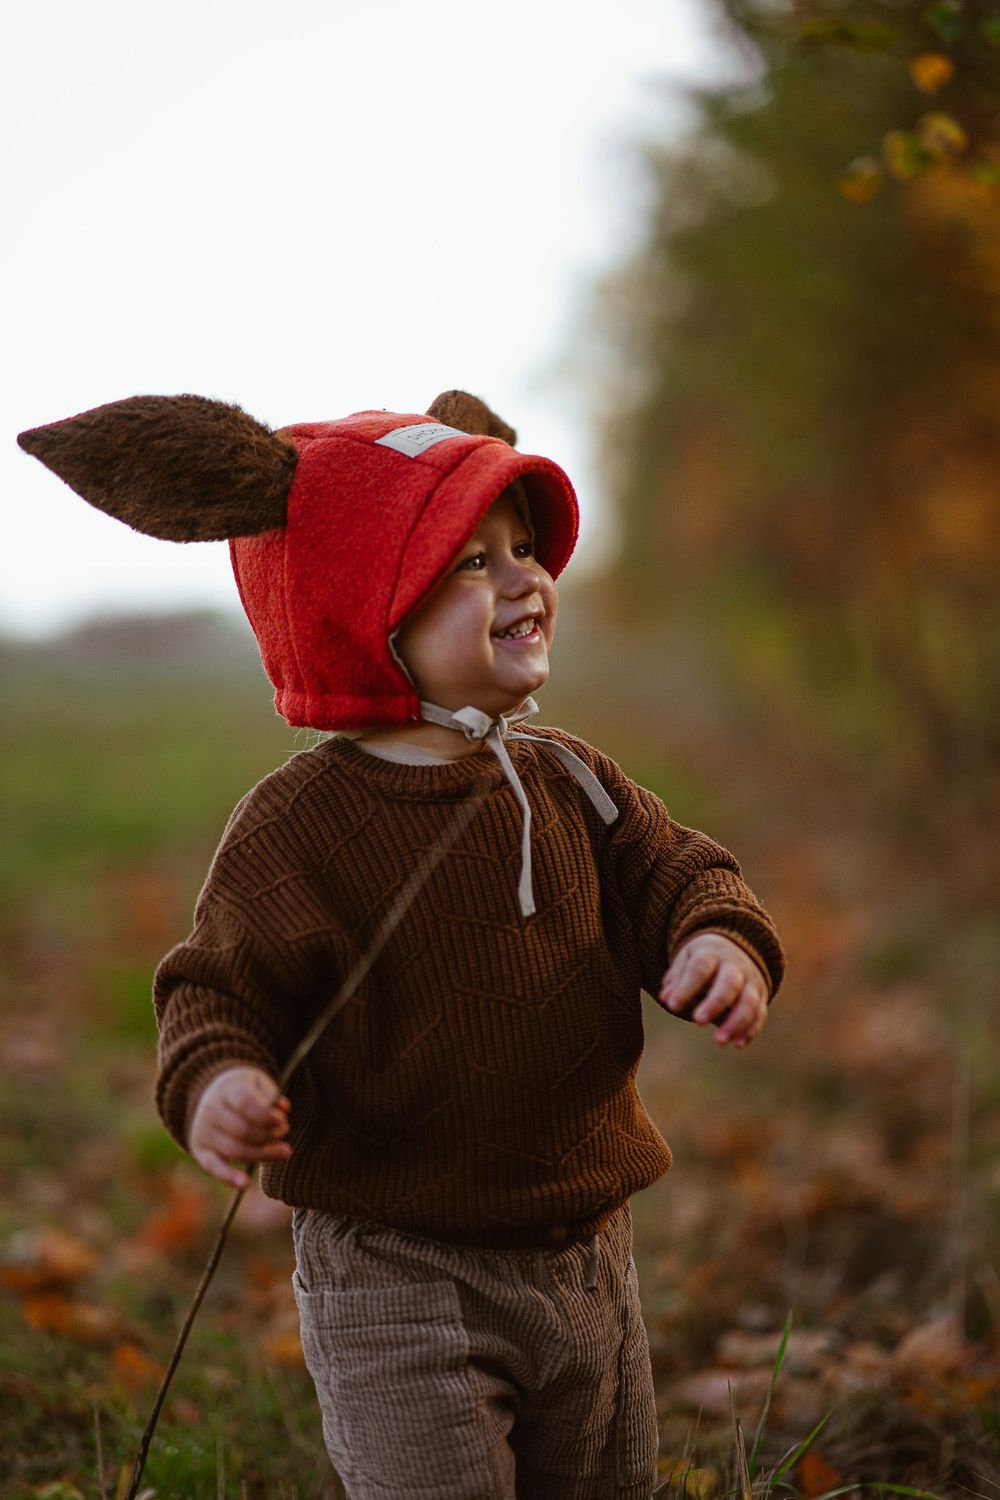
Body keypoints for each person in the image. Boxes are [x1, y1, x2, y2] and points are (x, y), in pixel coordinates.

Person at [18, 388, 784, 1500]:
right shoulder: (298, 828)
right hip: (396, 1270)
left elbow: (675, 870)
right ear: (359, 608)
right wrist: (220, 1081)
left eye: (524, 549)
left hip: (586, 1251)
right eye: (471, 562)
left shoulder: (570, 781)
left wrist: (719, 938)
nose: (524, 579)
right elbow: (215, 990)